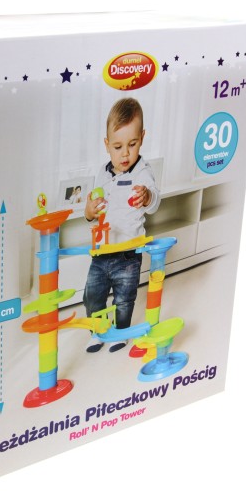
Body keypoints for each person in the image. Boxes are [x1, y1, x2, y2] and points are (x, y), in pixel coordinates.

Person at [83, 98, 160, 353]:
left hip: (128, 253)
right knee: (92, 295)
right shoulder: (102, 173)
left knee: (124, 298)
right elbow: (92, 210)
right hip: (101, 251)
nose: (125, 153)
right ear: (107, 144)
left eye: (132, 144)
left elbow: (154, 202)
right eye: (117, 146)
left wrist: (147, 197)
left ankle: (120, 331)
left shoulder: (142, 172)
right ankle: (97, 332)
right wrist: (89, 211)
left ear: (142, 138)